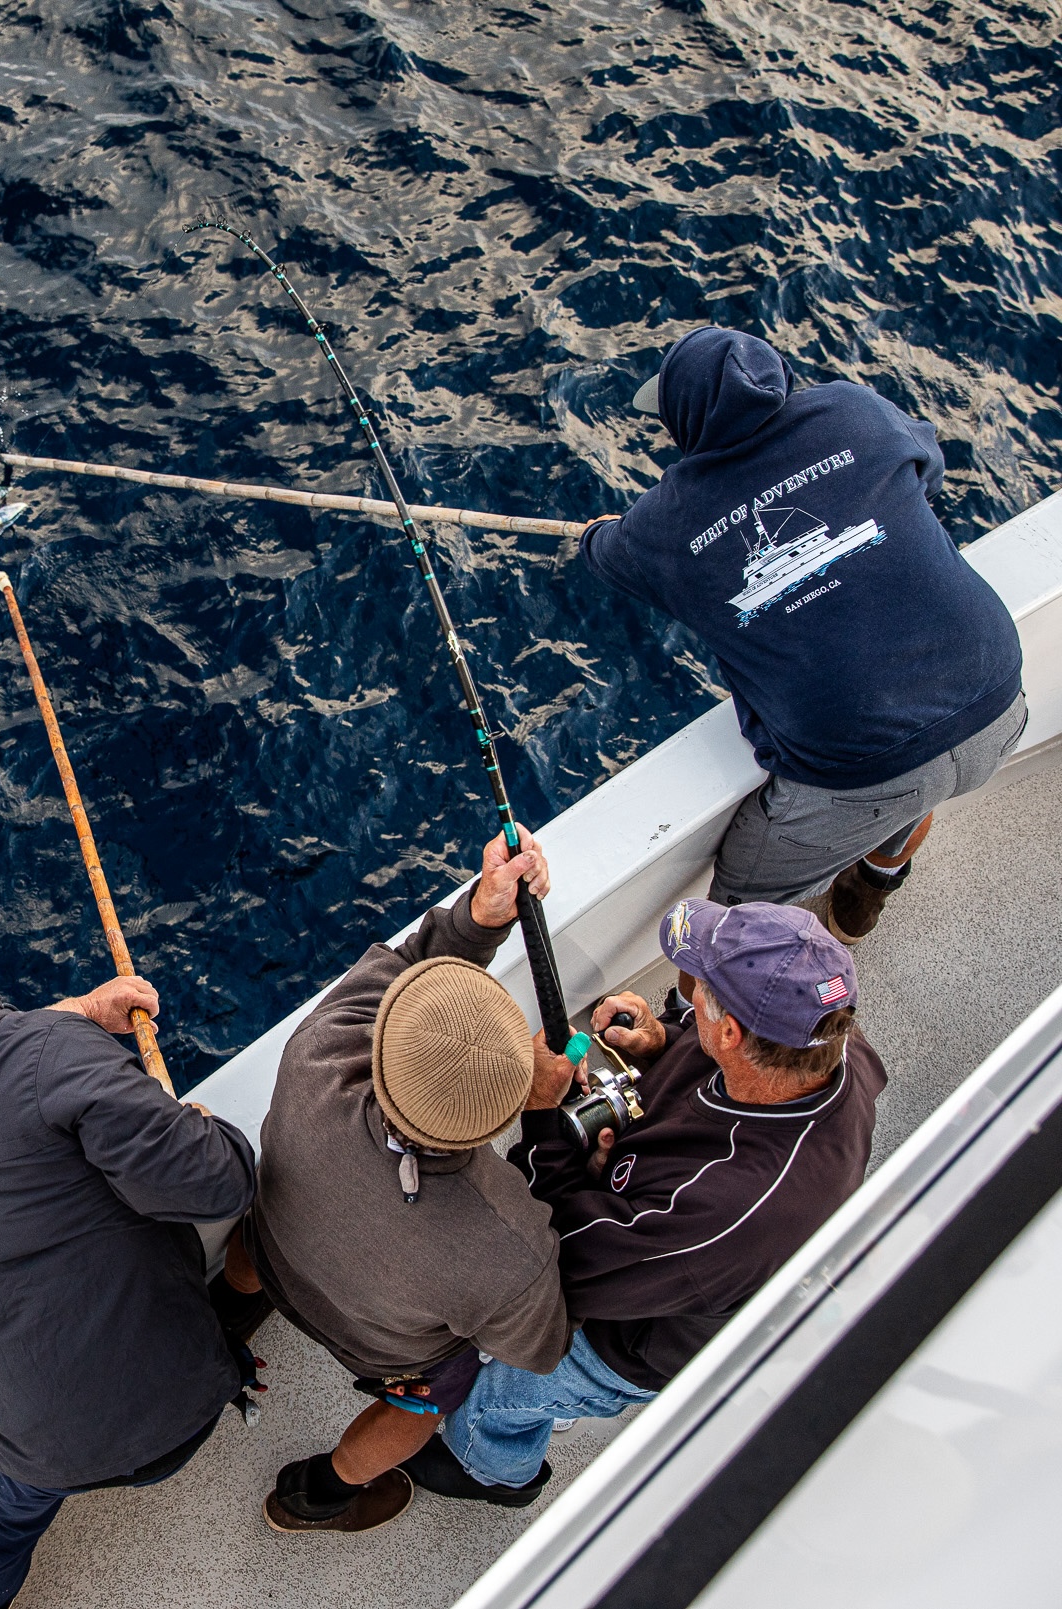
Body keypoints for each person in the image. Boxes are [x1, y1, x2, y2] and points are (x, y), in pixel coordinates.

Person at [0, 876, 256, 1609]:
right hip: (177, 1418)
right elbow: (224, 1184)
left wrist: (82, 1011)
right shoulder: (59, 1052)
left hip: (30, 1451)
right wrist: (190, 1120)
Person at [404, 898, 885, 1501]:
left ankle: (494, 1471)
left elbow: (557, 1260)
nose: (692, 992)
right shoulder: (833, 1044)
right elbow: (721, 1060)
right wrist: (664, 1043)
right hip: (668, 1252)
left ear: (731, 1033)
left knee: (503, 1395)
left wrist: (542, 1115)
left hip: (628, 1338)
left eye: (700, 988)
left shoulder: (724, 1210)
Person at [582, 326, 1024, 941]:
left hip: (859, 765)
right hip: (999, 701)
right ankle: (867, 893)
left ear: (684, 418)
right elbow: (928, 474)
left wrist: (604, 530)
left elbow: (603, 551)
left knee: (732, 914)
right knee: (916, 790)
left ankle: (704, 993)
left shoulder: (660, 525)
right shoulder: (855, 410)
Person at [218, 829, 571, 1532]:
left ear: (384, 1043)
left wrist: (481, 915)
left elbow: (407, 964)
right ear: (497, 1116)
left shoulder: (319, 1052)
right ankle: (312, 1496)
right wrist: (545, 1119)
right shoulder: (510, 1249)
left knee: (256, 1228)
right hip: (377, 1350)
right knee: (431, 1397)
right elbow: (542, 1347)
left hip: (273, 1253)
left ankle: (224, 1313)